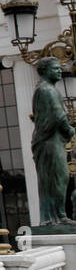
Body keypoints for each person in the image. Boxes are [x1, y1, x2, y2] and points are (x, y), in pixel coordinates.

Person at [31, 57, 76, 226]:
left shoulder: (46, 89)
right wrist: (69, 129)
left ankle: (55, 216)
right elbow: (58, 115)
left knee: (55, 178)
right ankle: (56, 217)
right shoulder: (47, 90)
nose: (59, 71)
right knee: (58, 177)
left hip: (50, 140)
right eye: (55, 68)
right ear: (45, 70)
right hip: (49, 141)